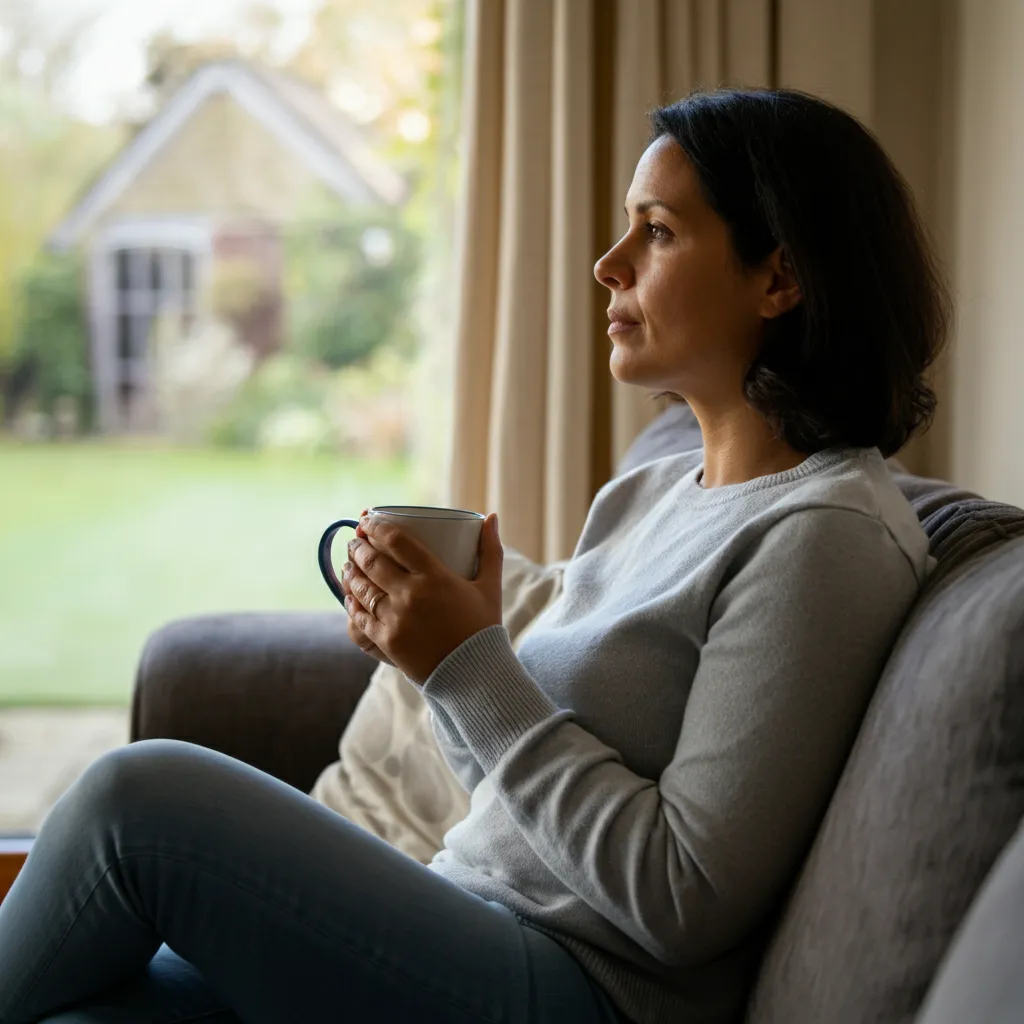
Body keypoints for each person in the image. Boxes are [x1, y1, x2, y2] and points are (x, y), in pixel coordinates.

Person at [0, 87, 949, 1024]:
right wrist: (439, 659)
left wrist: (468, 667)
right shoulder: (654, 495)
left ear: (779, 278)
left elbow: (682, 895)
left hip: (579, 989)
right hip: (465, 921)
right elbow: (515, 786)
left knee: (137, 798)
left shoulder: (828, 536)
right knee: (91, 1008)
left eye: (657, 231)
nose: (608, 263)